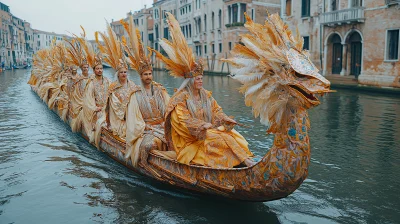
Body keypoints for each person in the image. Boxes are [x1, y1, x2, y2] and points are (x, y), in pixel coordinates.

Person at [150, 12, 255, 168]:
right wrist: (200, 126)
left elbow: (216, 111)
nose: (200, 80)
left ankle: (243, 161)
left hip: (207, 134)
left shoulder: (206, 95)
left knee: (230, 134)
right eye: (197, 78)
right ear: (190, 80)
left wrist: (224, 118)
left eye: (201, 77)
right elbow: (183, 122)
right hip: (190, 142)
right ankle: (245, 162)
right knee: (221, 138)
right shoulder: (180, 99)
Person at [120, 16, 170, 167]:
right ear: (141, 76)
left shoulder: (160, 90)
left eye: (150, 74)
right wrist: (146, 127)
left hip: (163, 127)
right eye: (145, 74)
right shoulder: (135, 94)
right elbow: (134, 120)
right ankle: (144, 165)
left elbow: (170, 109)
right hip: (147, 130)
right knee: (147, 146)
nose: (148, 77)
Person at [95, 23, 136, 139]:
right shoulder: (113, 88)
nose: (124, 74)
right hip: (119, 119)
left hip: (133, 117)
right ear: (118, 74)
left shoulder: (132, 85)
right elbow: (116, 109)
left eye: (125, 72)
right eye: (121, 72)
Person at [82, 55, 110, 147]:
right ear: (94, 70)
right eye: (97, 68)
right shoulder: (91, 83)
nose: (100, 70)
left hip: (107, 108)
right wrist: (94, 107)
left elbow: (112, 95)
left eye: (101, 68)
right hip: (97, 109)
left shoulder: (107, 81)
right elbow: (88, 99)